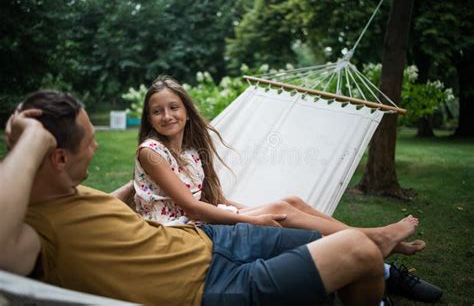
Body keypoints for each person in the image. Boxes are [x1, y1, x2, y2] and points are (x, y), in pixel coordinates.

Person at [0, 89, 388, 305]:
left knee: (341, 243)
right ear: (58, 157)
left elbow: (106, 209)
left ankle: (386, 273)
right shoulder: (31, 233)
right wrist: (32, 141)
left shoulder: (66, 192)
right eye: (91, 141)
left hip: (211, 240)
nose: (98, 147)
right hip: (212, 287)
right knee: (360, 250)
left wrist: (140, 185)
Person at [133, 75, 425, 259]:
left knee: (290, 203)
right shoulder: (152, 153)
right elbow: (193, 208)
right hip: (178, 231)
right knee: (280, 214)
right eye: (157, 111)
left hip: (199, 219)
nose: (167, 115)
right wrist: (253, 219)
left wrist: (249, 209)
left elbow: (210, 200)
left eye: (173, 107)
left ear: (186, 111)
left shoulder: (190, 151)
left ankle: (374, 237)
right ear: (149, 118)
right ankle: (376, 238)